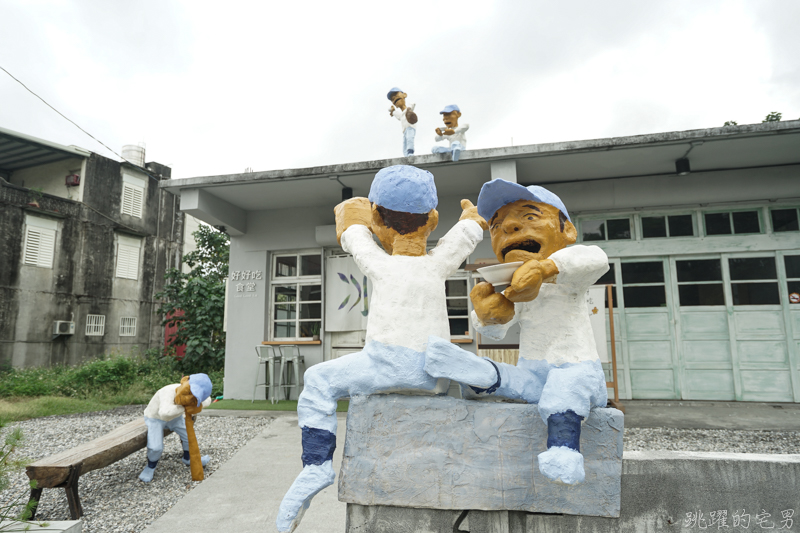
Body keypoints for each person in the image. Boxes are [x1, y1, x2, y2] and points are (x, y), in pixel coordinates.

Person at [276, 165, 487, 532]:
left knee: (318, 381)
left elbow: (355, 235)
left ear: (378, 217)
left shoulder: (380, 264)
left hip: (383, 366)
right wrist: (470, 217)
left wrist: (353, 214)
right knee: (478, 376)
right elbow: (465, 235)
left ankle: (316, 465)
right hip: (435, 373)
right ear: (433, 219)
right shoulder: (437, 265)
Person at [424, 178, 609, 485]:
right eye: (495, 226)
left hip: (578, 369)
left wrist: (544, 269)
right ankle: (461, 370)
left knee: (564, 386)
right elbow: (498, 331)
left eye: (530, 217)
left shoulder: (568, 276)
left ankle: (564, 449)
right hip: (533, 375)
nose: (508, 227)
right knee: (497, 372)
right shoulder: (517, 286)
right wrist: (488, 313)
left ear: (568, 230)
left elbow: (594, 258)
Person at [139, 374, 213, 483]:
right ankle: (150, 467)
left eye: (195, 395)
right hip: (155, 418)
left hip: (175, 417)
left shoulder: (189, 397)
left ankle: (188, 458)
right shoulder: (168, 391)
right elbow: (165, 413)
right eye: (191, 391)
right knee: (155, 447)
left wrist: (197, 403)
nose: (190, 396)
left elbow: (208, 400)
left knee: (190, 438)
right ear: (185, 380)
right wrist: (187, 406)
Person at [387, 87, 417, 157]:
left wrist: (409, 110)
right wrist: (393, 111)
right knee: (405, 143)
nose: (394, 98)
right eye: (392, 99)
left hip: (410, 128)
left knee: (410, 139)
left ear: (404, 95)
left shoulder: (408, 109)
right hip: (404, 130)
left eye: (396, 94)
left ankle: (410, 152)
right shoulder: (402, 114)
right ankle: (406, 155)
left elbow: (413, 104)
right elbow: (398, 116)